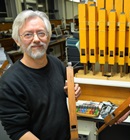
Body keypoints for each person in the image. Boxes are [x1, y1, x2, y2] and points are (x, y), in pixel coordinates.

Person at [0, 10, 81, 140]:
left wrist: (72, 92)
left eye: (41, 33)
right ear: (17, 40)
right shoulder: (9, 82)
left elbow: (63, 92)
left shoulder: (57, 63)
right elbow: (18, 131)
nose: (36, 39)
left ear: (48, 37)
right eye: (28, 34)